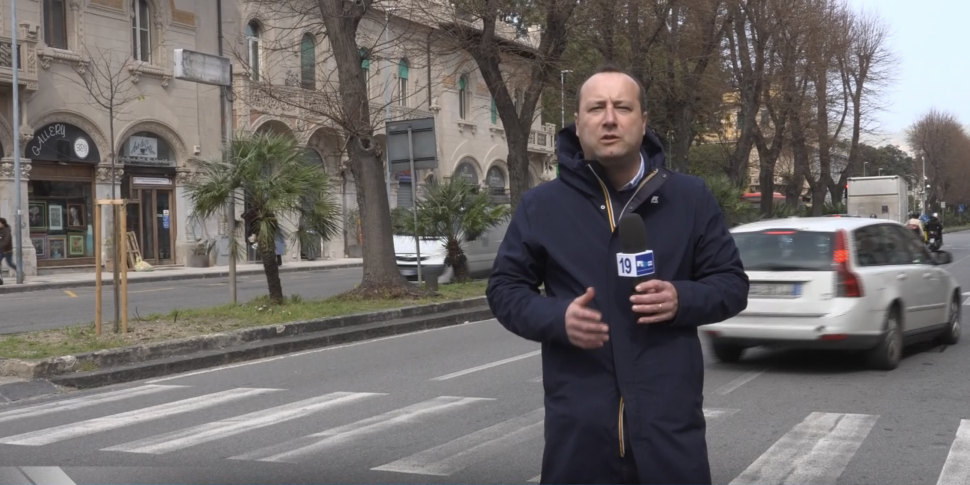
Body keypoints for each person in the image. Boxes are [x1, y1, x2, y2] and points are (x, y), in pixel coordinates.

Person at [486, 64, 749, 484]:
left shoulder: (690, 198)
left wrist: (682, 299)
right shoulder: (542, 206)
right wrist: (557, 317)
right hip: (580, 442)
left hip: (669, 435)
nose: (609, 119)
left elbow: (732, 284)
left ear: (643, 122)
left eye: (622, 107)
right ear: (578, 124)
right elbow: (504, 288)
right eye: (596, 108)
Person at [0, 217, 17, 284]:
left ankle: (19, 271)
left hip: (7, 251)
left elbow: (6, 241)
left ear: (3, 223)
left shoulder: (7, 231)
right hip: (1, 250)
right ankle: (0, 279)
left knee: (10, 263)